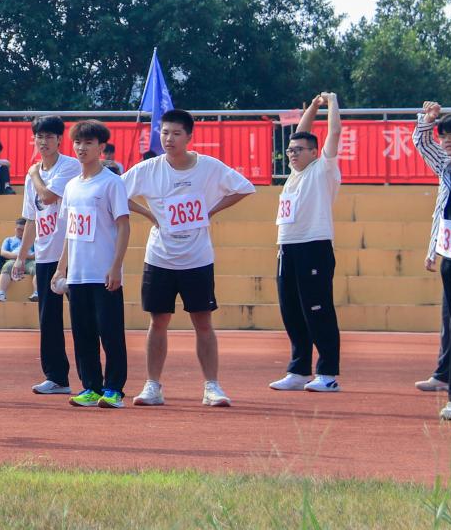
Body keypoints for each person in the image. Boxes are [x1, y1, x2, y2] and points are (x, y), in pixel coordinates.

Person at [121, 109, 255, 408]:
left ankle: (212, 386)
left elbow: (244, 187)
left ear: (189, 137)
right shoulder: (149, 169)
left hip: (197, 257)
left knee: (203, 321)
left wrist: (210, 211)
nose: (168, 139)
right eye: (164, 132)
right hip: (160, 257)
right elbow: (115, 191)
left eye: (176, 133)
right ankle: (153, 386)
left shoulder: (209, 167)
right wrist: (148, 213)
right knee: (158, 321)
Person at [268, 93, 343, 393]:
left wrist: (332, 103)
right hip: (287, 248)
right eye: (290, 150)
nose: (292, 154)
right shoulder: (293, 175)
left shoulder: (323, 169)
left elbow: (334, 132)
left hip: (314, 247)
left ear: (314, 152)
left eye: (299, 150)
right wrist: (312, 107)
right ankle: (299, 370)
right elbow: (300, 133)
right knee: (292, 311)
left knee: (317, 309)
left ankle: (328, 373)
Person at [53, 119, 130, 409]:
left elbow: (123, 226)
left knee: (110, 333)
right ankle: (91, 387)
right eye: (77, 142)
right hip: (78, 275)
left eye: (88, 142)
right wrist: (62, 267)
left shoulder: (112, 182)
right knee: (83, 334)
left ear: (101, 147)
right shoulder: (71, 186)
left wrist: (116, 266)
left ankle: (114, 390)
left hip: (104, 273)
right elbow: (70, 232)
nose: (81, 148)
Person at [11, 115, 82, 395]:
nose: (44, 142)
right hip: (44, 256)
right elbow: (31, 218)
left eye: (50, 136)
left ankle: (93, 379)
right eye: (39, 136)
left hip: (72, 253)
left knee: (82, 317)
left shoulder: (69, 167)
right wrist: (21, 257)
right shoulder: (33, 175)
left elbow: (49, 197)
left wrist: (34, 174)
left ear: (60, 140)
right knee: (48, 319)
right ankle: (57, 378)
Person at [412, 102, 451, 410]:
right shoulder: (446, 166)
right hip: (450, 253)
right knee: (449, 319)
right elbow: (422, 142)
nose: (447, 140)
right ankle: (444, 374)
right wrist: (427, 120)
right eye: (444, 136)